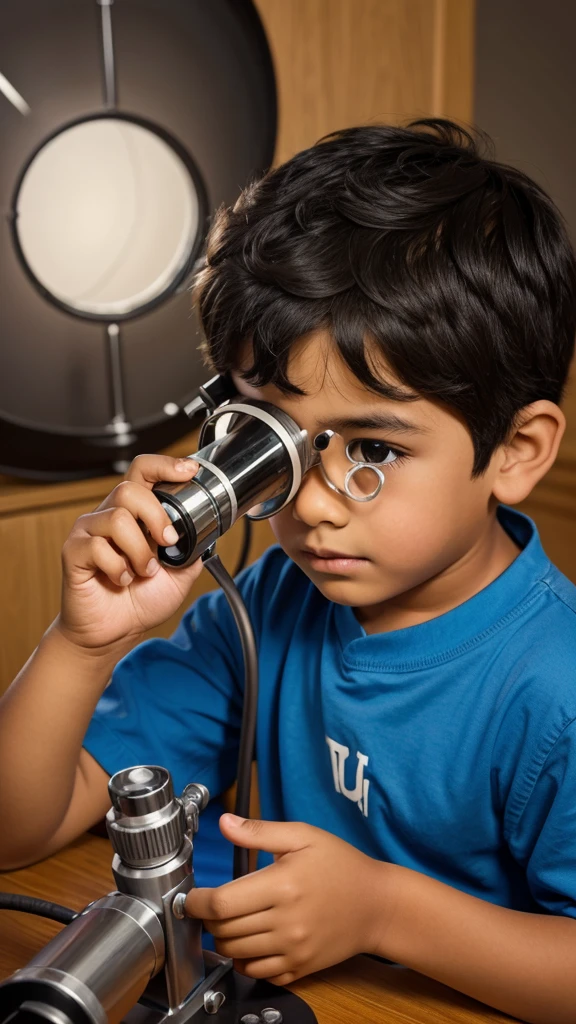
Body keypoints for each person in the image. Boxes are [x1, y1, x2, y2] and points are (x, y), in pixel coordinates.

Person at [1, 119, 576, 1024]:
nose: (308, 505)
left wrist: (384, 911)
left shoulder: (555, 688)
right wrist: (82, 642)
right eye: (273, 442)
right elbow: (18, 828)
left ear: (517, 450)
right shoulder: (269, 603)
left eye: (373, 451)